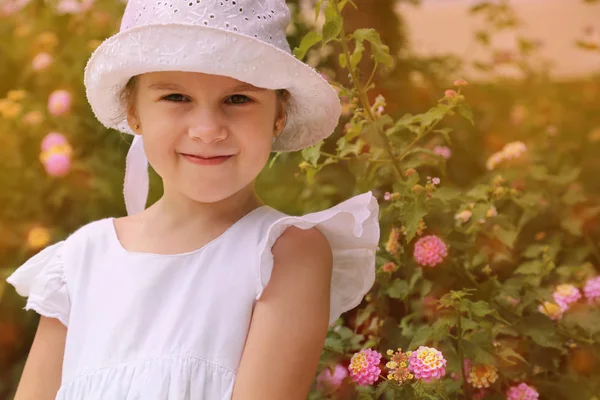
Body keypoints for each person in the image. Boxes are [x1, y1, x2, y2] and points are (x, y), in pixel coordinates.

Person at [6, 0, 380, 399]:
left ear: (278, 114)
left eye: (238, 99)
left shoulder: (282, 254)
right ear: (134, 111)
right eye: (176, 98)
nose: (207, 129)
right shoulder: (78, 264)